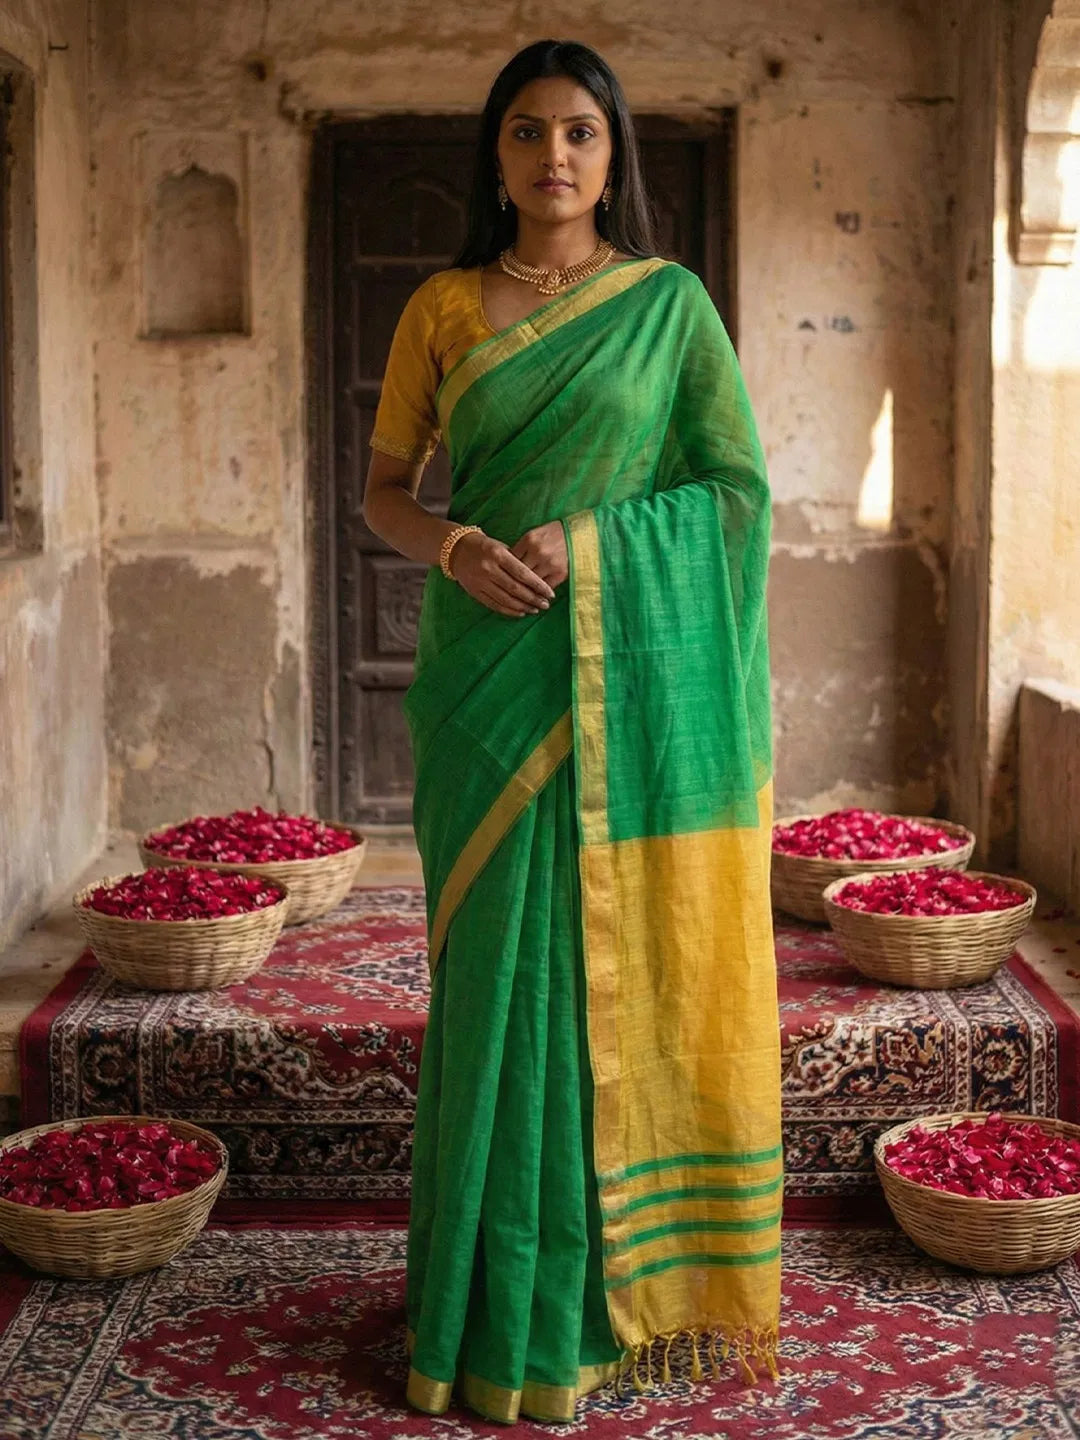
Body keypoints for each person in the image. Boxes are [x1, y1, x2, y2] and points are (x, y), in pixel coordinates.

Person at [362, 37, 781, 1427]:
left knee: (606, 970)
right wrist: (460, 545)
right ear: (496, 152)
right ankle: (480, 1316)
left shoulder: (668, 307)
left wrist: (588, 540)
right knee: (493, 985)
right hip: (485, 680)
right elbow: (385, 496)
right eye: (531, 132)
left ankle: (607, 1308)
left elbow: (731, 495)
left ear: (615, 157)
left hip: (618, 693)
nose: (556, 157)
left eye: (583, 135)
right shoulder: (440, 307)